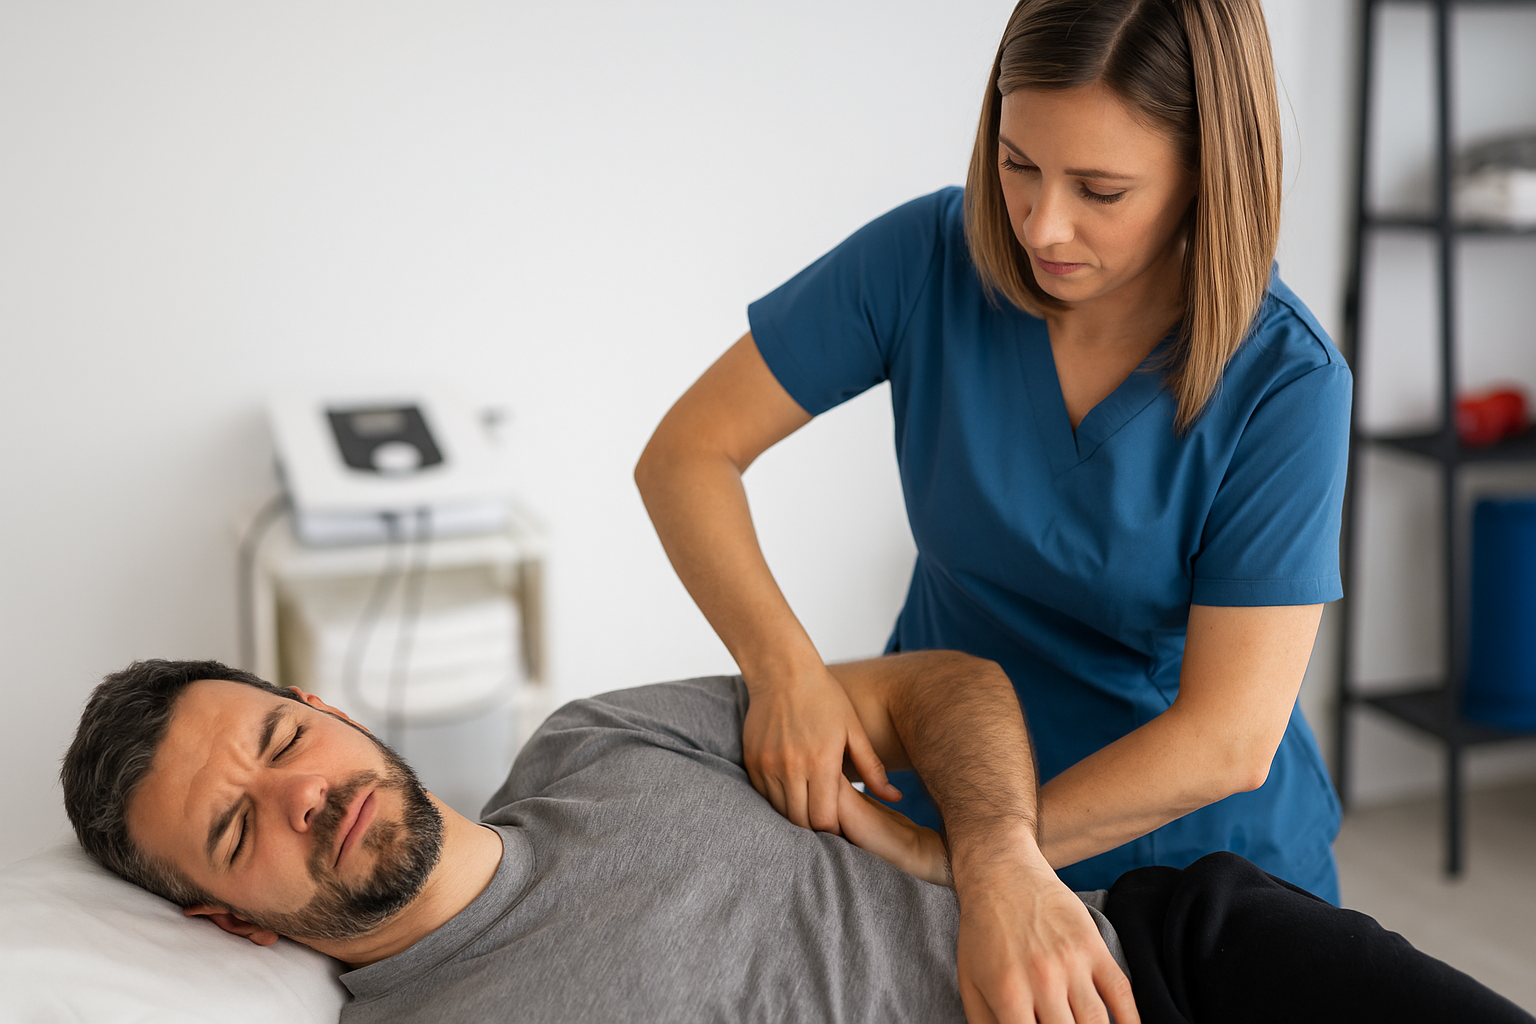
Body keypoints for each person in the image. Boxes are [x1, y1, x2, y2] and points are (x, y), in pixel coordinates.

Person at [634, 0, 1349, 901]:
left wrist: (977, 855)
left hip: (1186, 861)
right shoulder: (932, 258)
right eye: (1019, 166)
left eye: (1100, 190)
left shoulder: (1288, 381)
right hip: (945, 796)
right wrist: (786, 673)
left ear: (1209, 174)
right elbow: (688, 453)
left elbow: (1228, 738)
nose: (1043, 224)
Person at [62, 657, 1532, 1024]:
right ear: (230, 923)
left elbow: (943, 689)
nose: (300, 793)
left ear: (318, 706)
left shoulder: (602, 742)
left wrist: (1003, 863)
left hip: (1161, 955)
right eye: (234, 828)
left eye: (275, 741)